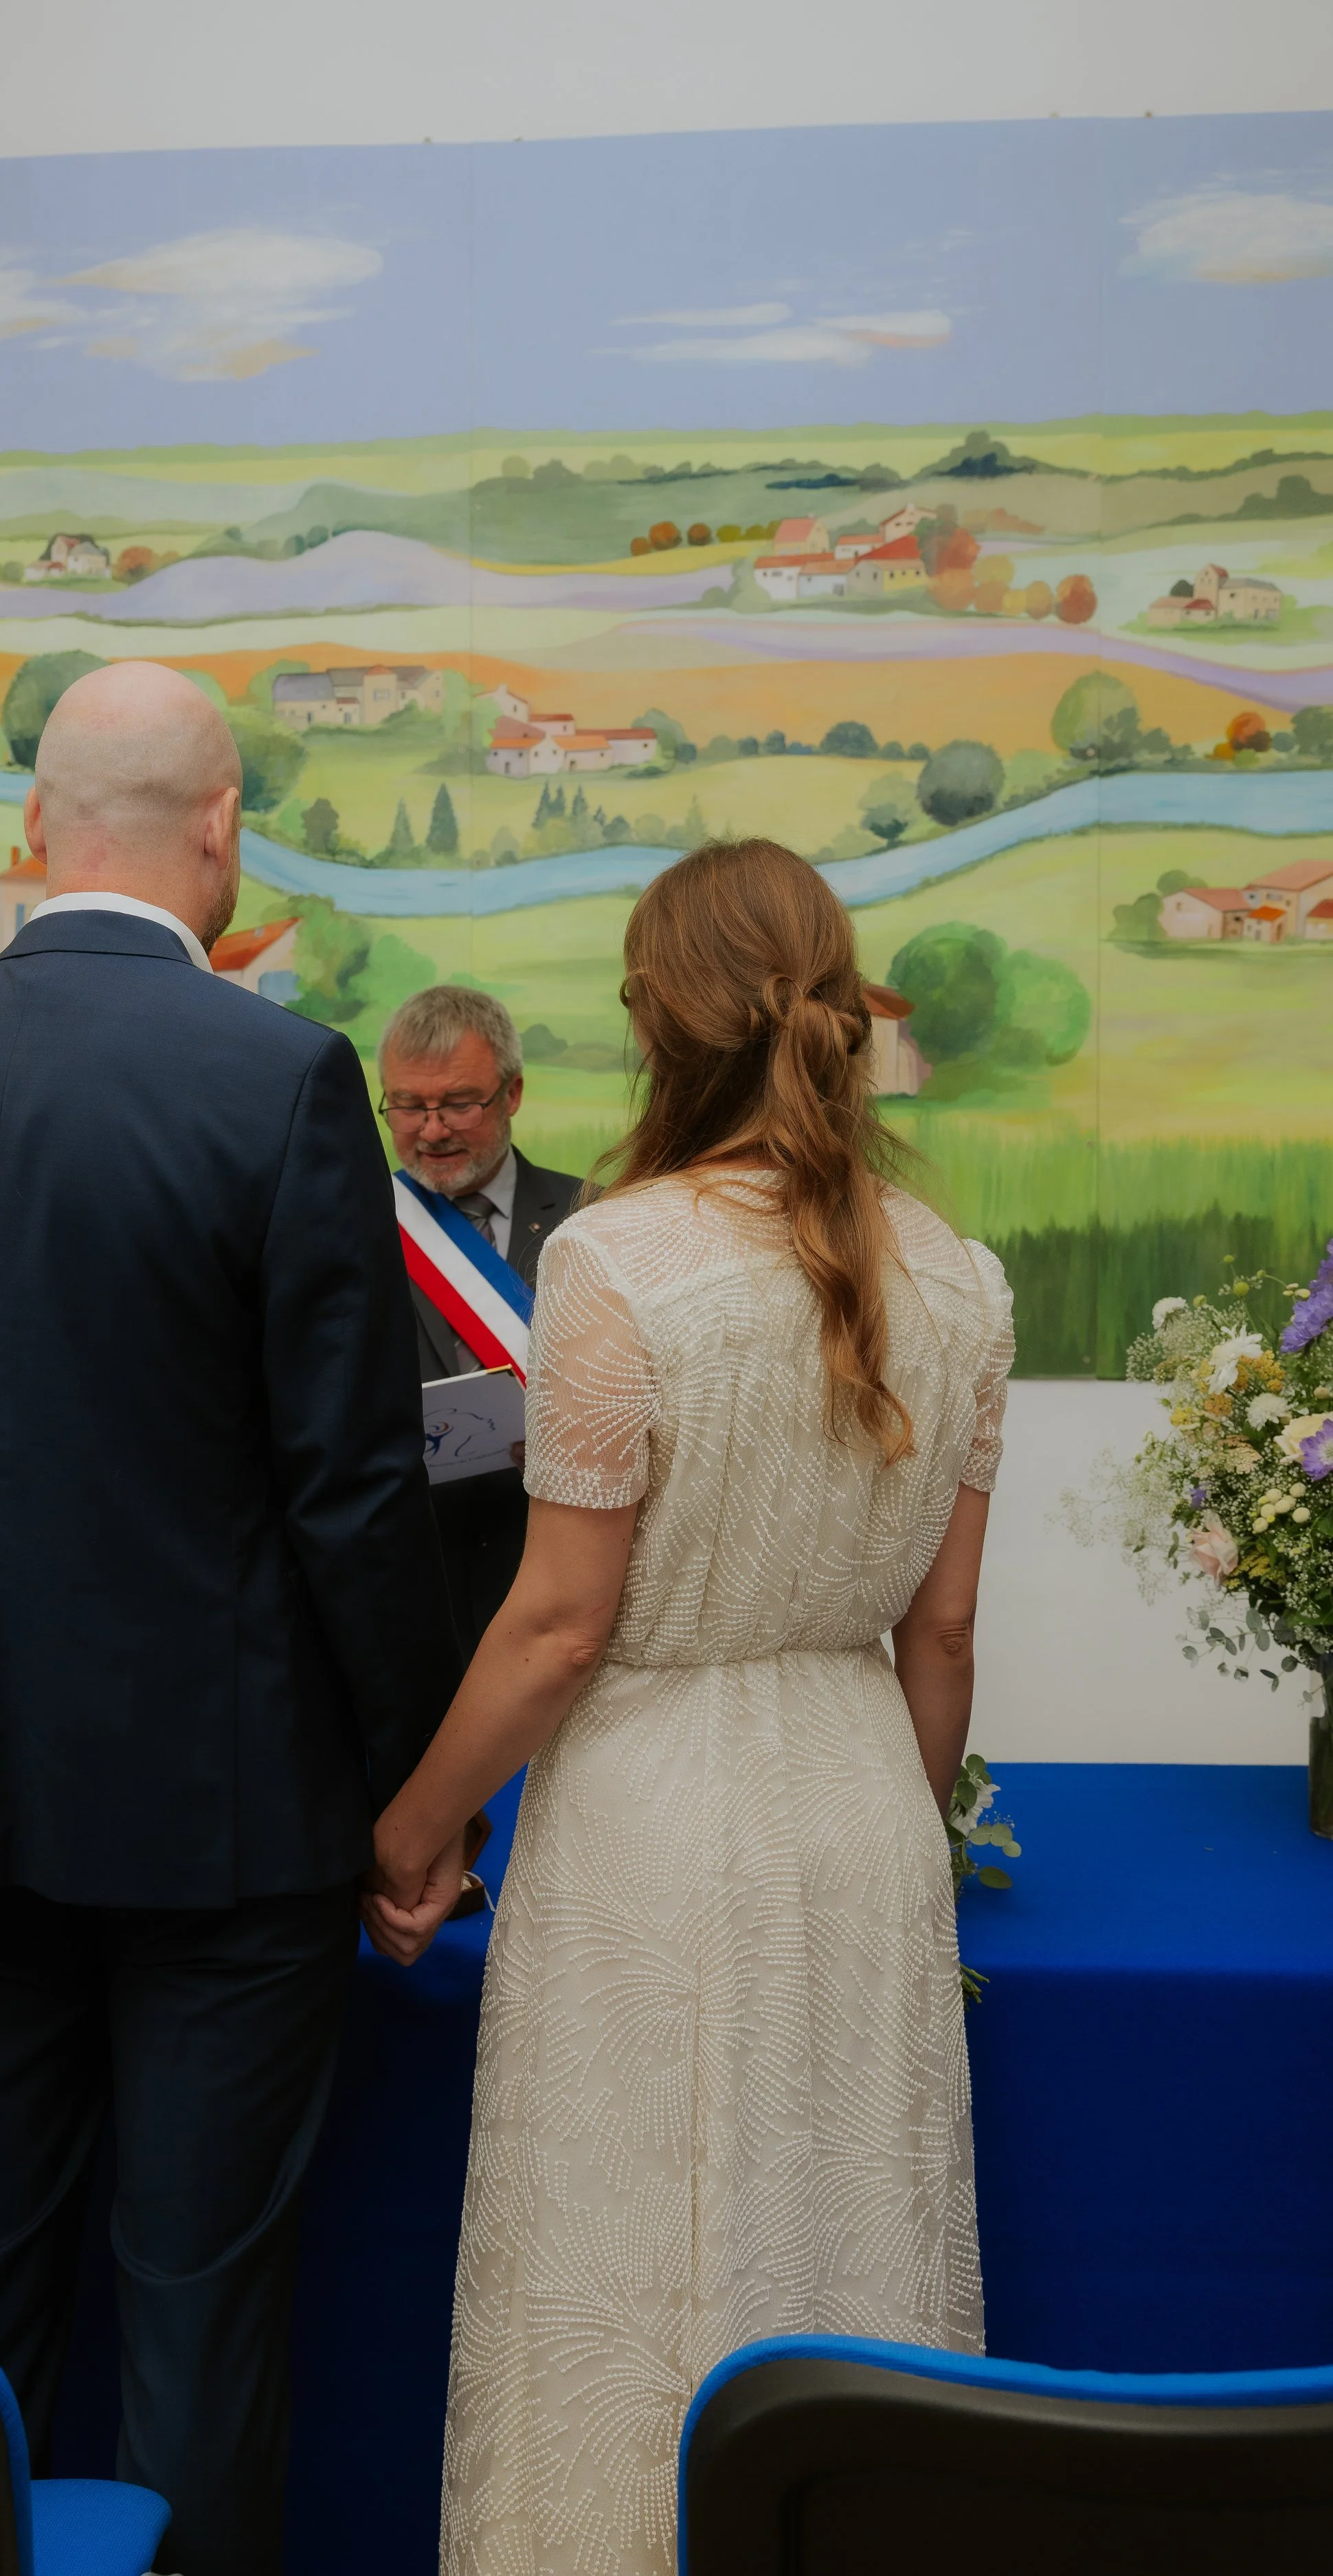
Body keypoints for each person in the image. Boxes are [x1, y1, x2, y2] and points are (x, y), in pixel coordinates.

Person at [0, 662, 466, 2576]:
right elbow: (348, 1483)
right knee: (200, 2331)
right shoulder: (280, 1076)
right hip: (230, 1829)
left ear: (34, 826)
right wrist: (415, 1792)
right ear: (223, 830)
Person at [363, 839, 1014, 2576]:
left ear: (658, 1027)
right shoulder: (959, 1272)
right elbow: (941, 1635)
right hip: (867, 1812)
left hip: (652, 1824)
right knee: (842, 2242)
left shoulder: (616, 1258)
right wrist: (908, 1811)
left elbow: (559, 1625)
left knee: (633, 2266)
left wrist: (412, 1834)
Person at [378, 986, 580, 1657]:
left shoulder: (593, 1217)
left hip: (564, 1581)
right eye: (407, 1105)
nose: (432, 1130)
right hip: (418, 1591)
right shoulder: (352, 1230)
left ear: (513, 1092)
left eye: (459, 1103)